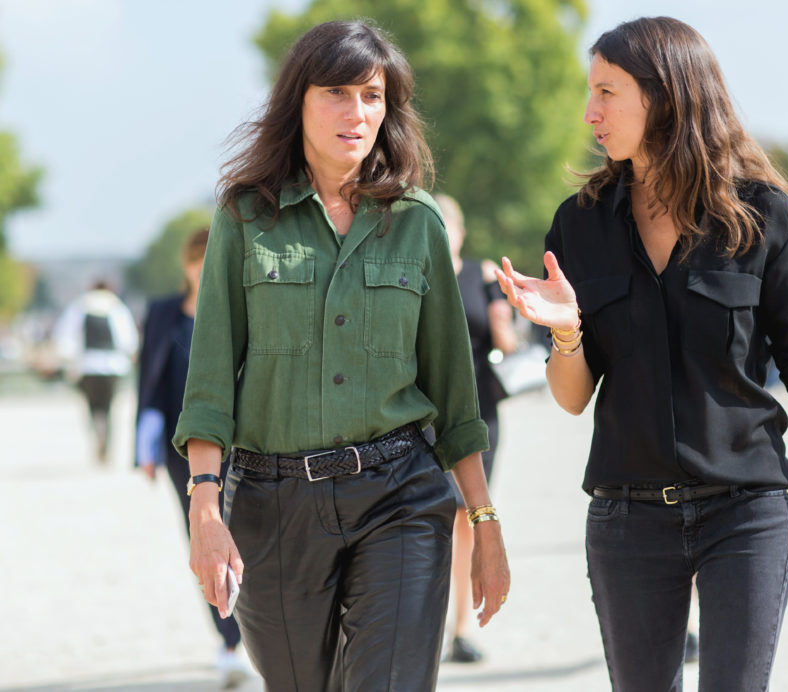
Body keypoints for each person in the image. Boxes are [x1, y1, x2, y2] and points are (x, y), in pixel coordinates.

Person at [495, 17, 788, 691]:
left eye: (607, 92)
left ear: (665, 95)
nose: (589, 112)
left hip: (746, 511)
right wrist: (565, 331)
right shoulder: (579, 224)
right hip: (627, 518)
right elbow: (569, 396)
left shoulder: (763, 215)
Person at [171, 21, 510, 691]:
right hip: (271, 505)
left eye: (373, 95)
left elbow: (455, 396)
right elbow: (209, 383)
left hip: (400, 494)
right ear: (298, 99)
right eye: (336, 93)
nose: (358, 114)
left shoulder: (418, 222)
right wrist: (205, 512)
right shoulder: (243, 218)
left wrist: (485, 520)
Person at [135, 228, 248, 688]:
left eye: (210, 259)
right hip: (182, 451)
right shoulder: (164, 312)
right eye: (196, 260)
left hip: (240, 445)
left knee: (248, 536)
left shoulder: (239, 307)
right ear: (185, 265)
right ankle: (228, 640)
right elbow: (149, 382)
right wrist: (143, 443)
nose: (202, 268)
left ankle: (254, 630)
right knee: (201, 537)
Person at [433, 193, 517, 663]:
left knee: (470, 515)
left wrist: (505, 313)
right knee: (440, 517)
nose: (444, 233)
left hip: (481, 412)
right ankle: (434, 621)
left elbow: (505, 341)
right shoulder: (419, 276)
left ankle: (461, 629)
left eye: (449, 225)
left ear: (461, 230)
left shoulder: (479, 274)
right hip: (429, 416)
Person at [52, 279, 138, 462]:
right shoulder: (116, 307)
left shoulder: (80, 306)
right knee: (108, 408)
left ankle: (98, 434)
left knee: (93, 407)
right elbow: (127, 339)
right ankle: (105, 440)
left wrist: (69, 360)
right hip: (113, 367)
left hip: (88, 366)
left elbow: (66, 336)